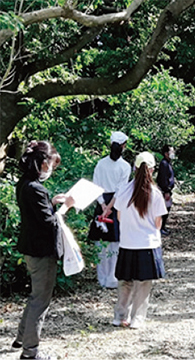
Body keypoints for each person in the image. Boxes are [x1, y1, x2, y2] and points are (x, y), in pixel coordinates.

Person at [13, 141, 75, 360]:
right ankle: (30, 352)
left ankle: (21, 338)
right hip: (42, 251)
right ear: (41, 163)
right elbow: (50, 222)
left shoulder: (24, 184)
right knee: (41, 300)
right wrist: (66, 206)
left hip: (30, 247)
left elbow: (39, 213)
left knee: (35, 296)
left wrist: (53, 200)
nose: (51, 169)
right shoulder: (37, 189)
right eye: (50, 164)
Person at [112, 152, 168, 329]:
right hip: (147, 244)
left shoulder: (123, 191)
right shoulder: (155, 194)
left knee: (125, 281)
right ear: (152, 170)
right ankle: (137, 319)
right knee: (143, 284)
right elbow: (158, 222)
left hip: (127, 242)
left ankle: (119, 316)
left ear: (134, 168)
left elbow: (119, 217)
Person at [88, 131, 131, 289]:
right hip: (115, 204)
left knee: (101, 244)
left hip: (102, 203)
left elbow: (96, 184)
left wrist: (102, 206)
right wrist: (109, 207)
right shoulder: (125, 166)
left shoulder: (100, 163)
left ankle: (102, 278)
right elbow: (120, 189)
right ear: (123, 146)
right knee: (114, 243)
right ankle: (112, 278)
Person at [157, 145, 175, 236]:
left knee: (167, 209)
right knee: (163, 210)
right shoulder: (164, 164)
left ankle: (163, 227)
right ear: (166, 153)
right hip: (164, 191)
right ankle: (160, 228)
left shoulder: (168, 163)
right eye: (171, 152)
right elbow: (163, 178)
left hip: (168, 190)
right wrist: (166, 191)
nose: (173, 153)